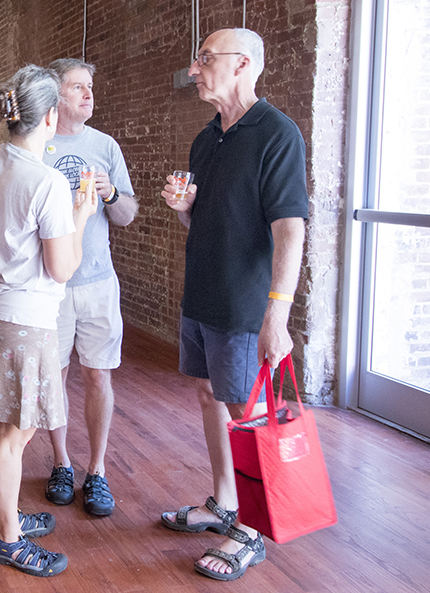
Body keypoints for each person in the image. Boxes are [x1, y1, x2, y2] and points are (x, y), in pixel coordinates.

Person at [160, 28, 308, 581]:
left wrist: (278, 314)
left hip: (246, 303)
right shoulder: (206, 138)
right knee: (209, 396)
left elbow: (290, 229)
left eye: (205, 58)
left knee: (249, 415)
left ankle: (252, 529)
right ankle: (225, 502)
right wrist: (184, 208)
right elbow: (204, 223)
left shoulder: (277, 133)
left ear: (243, 63)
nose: (194, 69)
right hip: (202, 294)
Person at [0, 65, 96, 577]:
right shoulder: (47, 181)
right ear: (49, 116)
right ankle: (8, 538)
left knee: (2, 424)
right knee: (17, 432)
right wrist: (82, 214)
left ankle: (6, 517)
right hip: (25, 317)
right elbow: (62, 268)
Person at [39, 58, 138, 518]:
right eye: (78, 86)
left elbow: (127, 215)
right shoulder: (37, 145)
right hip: (50, 284)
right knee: (54, 375)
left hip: (98, 280)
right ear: (55, 95)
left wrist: (111, 194)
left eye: (90, 86)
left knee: (98, 374)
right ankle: (61, 462)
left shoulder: (105, 145)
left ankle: (97, 470)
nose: (88, 94)